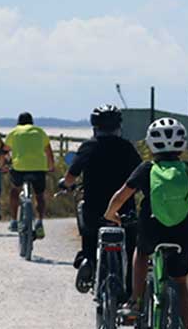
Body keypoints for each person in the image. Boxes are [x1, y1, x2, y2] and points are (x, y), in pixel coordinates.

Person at [104, 118, 188, 329]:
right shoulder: (187, 170)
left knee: (142, 254)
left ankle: (136, 300)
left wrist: (111, 215)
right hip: (183, 231)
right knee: (181, 282)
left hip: (152, 228)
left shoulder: (146, 169)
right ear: (182, 144)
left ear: (151, 144)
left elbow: (122, 196)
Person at [60, 105, 142, 293]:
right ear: (118, 126)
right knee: (130, 247)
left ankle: (88, 257)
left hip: (95, 210)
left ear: (95, 126)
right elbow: (140, 174)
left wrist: (66, 184)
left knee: (88, 226)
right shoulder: (127, 147)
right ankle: (130, 292)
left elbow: (71, 176)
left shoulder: (89, 146)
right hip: (123, 211)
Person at [5, 112, 54, 238]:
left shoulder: (14, 132)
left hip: (19, 168)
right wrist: (51, 166)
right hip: (38, 168)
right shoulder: (39, 131)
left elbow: (5, 150)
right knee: (39, 195)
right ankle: (39, 221)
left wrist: (5, 163)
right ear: (32, 122)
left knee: (15, 190)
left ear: (18, 122)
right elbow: (48, 151)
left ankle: (14, 221)